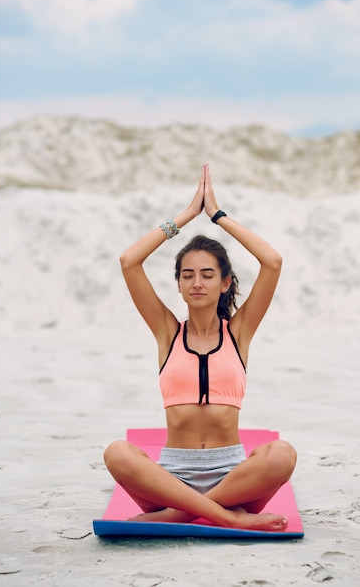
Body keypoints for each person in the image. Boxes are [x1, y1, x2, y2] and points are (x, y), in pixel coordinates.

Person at [104, 164, 297, 531]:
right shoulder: (167, 332)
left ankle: (179, 515)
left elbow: (272, 262)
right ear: (177, 285)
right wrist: (186, 217)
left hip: (233, 476)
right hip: (172, 477)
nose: (197, 282)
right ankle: (225, 517)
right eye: (187, 275)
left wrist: (218, 217)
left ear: (225, 283)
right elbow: (129, 261)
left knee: (283, 454)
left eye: (208, 274)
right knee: (117, 452)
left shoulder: (239, 333)